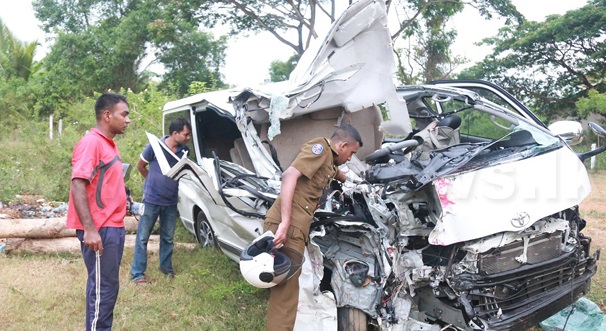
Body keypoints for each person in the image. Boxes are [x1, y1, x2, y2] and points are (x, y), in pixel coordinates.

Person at [263, 124, 363, 330]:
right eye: (351, 153)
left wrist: (362, 182)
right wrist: (284, 222)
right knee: (286, 294)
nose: (350, 158)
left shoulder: (329, 161)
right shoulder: (320, 148)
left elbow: (336, 174)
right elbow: (289, 175)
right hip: (289, 227)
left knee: (286, 288)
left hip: (296, 229)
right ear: (342, 145)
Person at [66, 93, 131, 331]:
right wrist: (90, 230)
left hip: (112, 226)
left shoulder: (108, 145)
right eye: (124, 114)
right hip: (100, 229)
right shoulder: (91, 143)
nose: (128, 120)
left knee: (108, 287)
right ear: (107, 115)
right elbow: (78, 183)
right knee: (102, 290)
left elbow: (102, 183)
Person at [130, 118, 192, 285]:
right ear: (175, 133)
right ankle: (137, 274)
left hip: (171, 202)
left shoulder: (184, 151)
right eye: (186, 134)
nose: (188, 138)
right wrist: (152, 182)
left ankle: (166, 269)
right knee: (143, 237)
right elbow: (141, 166)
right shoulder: (154, 146)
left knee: (168, 238)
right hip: (151, 200)